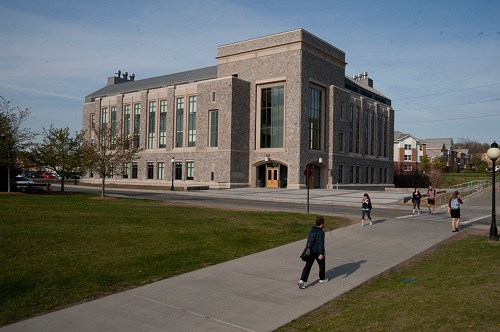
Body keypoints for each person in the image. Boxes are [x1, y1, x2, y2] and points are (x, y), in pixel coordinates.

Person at [298, 216, 327, 289]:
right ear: (321, 224)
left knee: (308, 266)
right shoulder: (321, 232)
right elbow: (321, 243)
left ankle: (302, 280)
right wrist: (321, 253)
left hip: (310, 251)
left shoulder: (312, 230)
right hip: (317, 252)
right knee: (322, 264)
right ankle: (322, 279)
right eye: (323, 224)